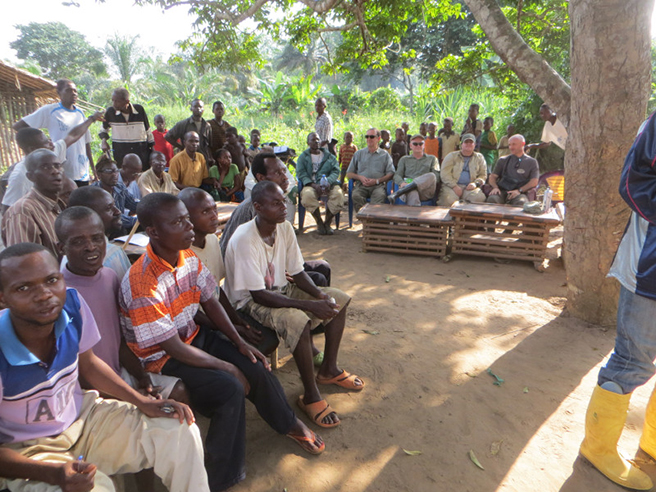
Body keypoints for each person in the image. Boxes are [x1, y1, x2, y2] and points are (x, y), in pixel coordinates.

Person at [119, 193, 325, 491]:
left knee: (254, 362)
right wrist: (227, 367)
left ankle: (288, 422)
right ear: (153, 232)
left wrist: (238, 340)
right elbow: (171, 348)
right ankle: (218, 478)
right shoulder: (142, 283)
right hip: (161, 357)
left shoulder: (184, 254)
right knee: (228, 388)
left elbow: (211, 299)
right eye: (178, 222)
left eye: (187, 219)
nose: (189, 227)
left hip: (191, 336)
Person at [0, 242, 210, 492]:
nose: (45, 294)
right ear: (2, 297)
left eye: (51, 280)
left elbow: (88, 365)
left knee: (178, 429)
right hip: (30, 452)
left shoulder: (72, 305)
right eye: (24, 288)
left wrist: (141, 402)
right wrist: (54, 473)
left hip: (84, 419)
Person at [224, 181, 364, 429]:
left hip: (280, 290)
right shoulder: (245, 238)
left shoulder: (284, 228)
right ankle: (311, 396)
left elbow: (298, 272)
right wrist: (308, 306)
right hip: (248, 302)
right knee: (298, 319)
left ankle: (328, 370)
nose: (284, 206)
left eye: (284, 200)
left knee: (338, 300)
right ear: (258, 207)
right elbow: (259, 296)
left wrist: (319, 295)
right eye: (276, 203)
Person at [577, 112, 656, 491]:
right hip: (650, 267)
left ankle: (653, 443)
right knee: (632, 358)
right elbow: (633, 181)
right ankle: (599, 447)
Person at [179, 188, 279, 356]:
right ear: (186, 218)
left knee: (268, 339)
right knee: (245, 354)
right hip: (200, 326)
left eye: (214, 209)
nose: (214, 216)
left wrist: (238, 321)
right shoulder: (181, 254)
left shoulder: (211, 240)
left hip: (219, 314)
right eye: (205, 211)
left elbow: (217, 290)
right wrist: (233, 328)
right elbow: (193, 313)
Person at [219, 153, 333, 288]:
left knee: (323, 267)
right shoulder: (249, 209)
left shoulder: (279, 206)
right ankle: (313, 307)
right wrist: (273, 273)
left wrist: (283, 269)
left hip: (276, 265)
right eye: (278, 173)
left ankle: (322, 306)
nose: (285, 177)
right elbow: (229, 255)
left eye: (284, 171)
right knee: (317, 279)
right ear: (261, 178)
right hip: (255, 275)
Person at [3, 110, 101, 209]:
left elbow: (73, 135)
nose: (51, 143)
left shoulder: (51, 153)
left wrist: (92, 119)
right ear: (32, 149)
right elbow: (7, 209)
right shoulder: (20, 176)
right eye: (46, 142)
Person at [13, 79, 96, 185]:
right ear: (59, 93)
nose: (74, 93)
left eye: (75, 90)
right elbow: (18, 126)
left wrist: (93, 169)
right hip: (60, 171)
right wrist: (39, 145)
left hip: (81, 172)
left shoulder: (80, 113)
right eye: (69, 90)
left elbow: (86, 143)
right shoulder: (50, 111)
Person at [2, 149, 66, 258]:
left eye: (57, 166)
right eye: (45, 167)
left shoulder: (60, 205)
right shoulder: (22, 211)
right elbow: (23, 262)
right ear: (30, 176)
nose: (55, 171)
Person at [67, 186, 132, 279]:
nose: (118, 212)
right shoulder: (113, 254)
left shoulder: (68, 256)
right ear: (90, 217)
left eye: (114, 205)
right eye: (109, 208)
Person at [297, 132, 345, 235]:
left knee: (338, 195)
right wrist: (314, 185)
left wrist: (328, 182)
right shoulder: (303, 157)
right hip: (311, 185)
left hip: (328, 184)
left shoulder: (329, 156)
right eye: (313, 140)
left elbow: (336, 171)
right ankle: (319, 222)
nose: (316, 142)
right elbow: (301, 173)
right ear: (308, 143)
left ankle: (327, 223)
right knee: (307, 196)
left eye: (318, 139)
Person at [100, 88, 153, 167]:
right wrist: (104, 141)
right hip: (121, 156)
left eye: (117, 101)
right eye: (113, 100)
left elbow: (148, 131)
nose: (114, 104)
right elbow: (103, 130)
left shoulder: (139, 110)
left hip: (141, 156)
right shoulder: (111, 112)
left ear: (127, 102)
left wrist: (153, 153)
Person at [346, 128, 395, 212]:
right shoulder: (359, 154)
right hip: (361, 185)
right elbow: (349, 173)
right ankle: (365, 220)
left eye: (372, 137)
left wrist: (376, 181)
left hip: (378, 186)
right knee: (356, 196)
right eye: (367, 136)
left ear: (378, 139)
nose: (369, 139)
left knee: (379, 197)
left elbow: (390, 173)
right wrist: (360, 177)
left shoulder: (384, 155)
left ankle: (371, 222)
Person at [486, 134, 539, 206]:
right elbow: (492, 176)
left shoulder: (531, 162)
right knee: (492, 200)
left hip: (519, 192)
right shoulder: (503, 160)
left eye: (514, 144)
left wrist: (519, 190)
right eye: (509, 145)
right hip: (502, 190)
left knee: (521, 203)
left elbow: (534, 181)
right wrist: (495, 187)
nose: (511, 147)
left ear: (523, 144)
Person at [388, 134, 439, 206]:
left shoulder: (432, 159)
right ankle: (414, 216)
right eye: (415, 144)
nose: (418, 146)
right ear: (410, 146)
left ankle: (402, 191)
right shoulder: (404, 159)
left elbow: (436, 177)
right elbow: (397, 175)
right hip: (408, 189)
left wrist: (418, 182)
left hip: (426, 190)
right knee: (412, 191)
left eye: (421, 144)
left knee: (432, 175)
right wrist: (402, 183)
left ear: (424, 145)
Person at [438, 133, 487, 207]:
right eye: (466, 142)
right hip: (451, 186)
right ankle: (451, 217)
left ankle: (466, 216)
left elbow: (483, 175)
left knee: (479, 198)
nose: (468, 144)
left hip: (470, 187)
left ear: (475, 145)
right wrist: (454, 186)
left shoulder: (479, 157)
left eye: (471, 142)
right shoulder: (451, 156)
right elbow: (445, 174)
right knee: (448, 200)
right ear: (461, 144)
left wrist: (475, 184)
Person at [92, 155, 138, 231]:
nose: (114, 174)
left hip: (120, 227)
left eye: (116, 171)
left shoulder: (119, 187)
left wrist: (148, 208)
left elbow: (133, 204)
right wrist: (136, 221)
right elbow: (113, 219)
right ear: (99, 174)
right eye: (109, 171)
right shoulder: (95, 192)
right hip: (104, 230)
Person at [165, 99, 213, 164]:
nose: (198, 108)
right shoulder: (183, 124)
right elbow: (168, 136)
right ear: (191, 108)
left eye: (200, 107)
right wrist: (181, 147)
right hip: (187, 158)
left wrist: (210, 157)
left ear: (203, 109)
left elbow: (209, 144)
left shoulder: (207, 126)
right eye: (195, 106)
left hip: (203, 159)